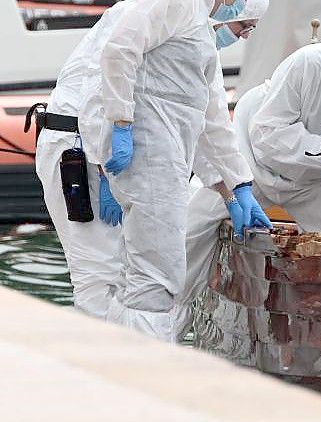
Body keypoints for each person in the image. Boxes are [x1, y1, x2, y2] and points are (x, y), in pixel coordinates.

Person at [32, 0, 271, 340]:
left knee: (133, 276)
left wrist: (235, 188)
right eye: (243, 25)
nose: (243, 34)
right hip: (81, 146)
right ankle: (105, 372)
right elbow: (103, 81)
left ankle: (121, 364)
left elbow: (208, 121)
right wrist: (104, 160)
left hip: (113, 151)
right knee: (100, 276)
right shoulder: (166, 7)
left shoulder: (197, 34)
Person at [171, 43, 321, 340]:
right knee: (192, 226)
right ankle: (164, 321)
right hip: (252, 160)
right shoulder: (313, 64)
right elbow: (266, 132)